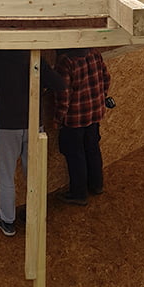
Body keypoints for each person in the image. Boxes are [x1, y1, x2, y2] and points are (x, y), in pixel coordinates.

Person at [0, 50, 66, 237]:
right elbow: (60, 84)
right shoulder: (35, 59)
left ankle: (8, 221)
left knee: (7, 175)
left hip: (8, 127)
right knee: (34, 174)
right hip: (35, 124)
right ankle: (34, 215)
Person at [53, 48, 111, 206]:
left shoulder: (66, 63)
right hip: (94, 114)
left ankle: (78, 193)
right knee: (92, 148)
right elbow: (106, 78)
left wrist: (58, 118)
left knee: (75, 155)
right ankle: (96, 185)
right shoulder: (94, 54)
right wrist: (100, 98)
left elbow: (63, 96)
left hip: (75, 119)